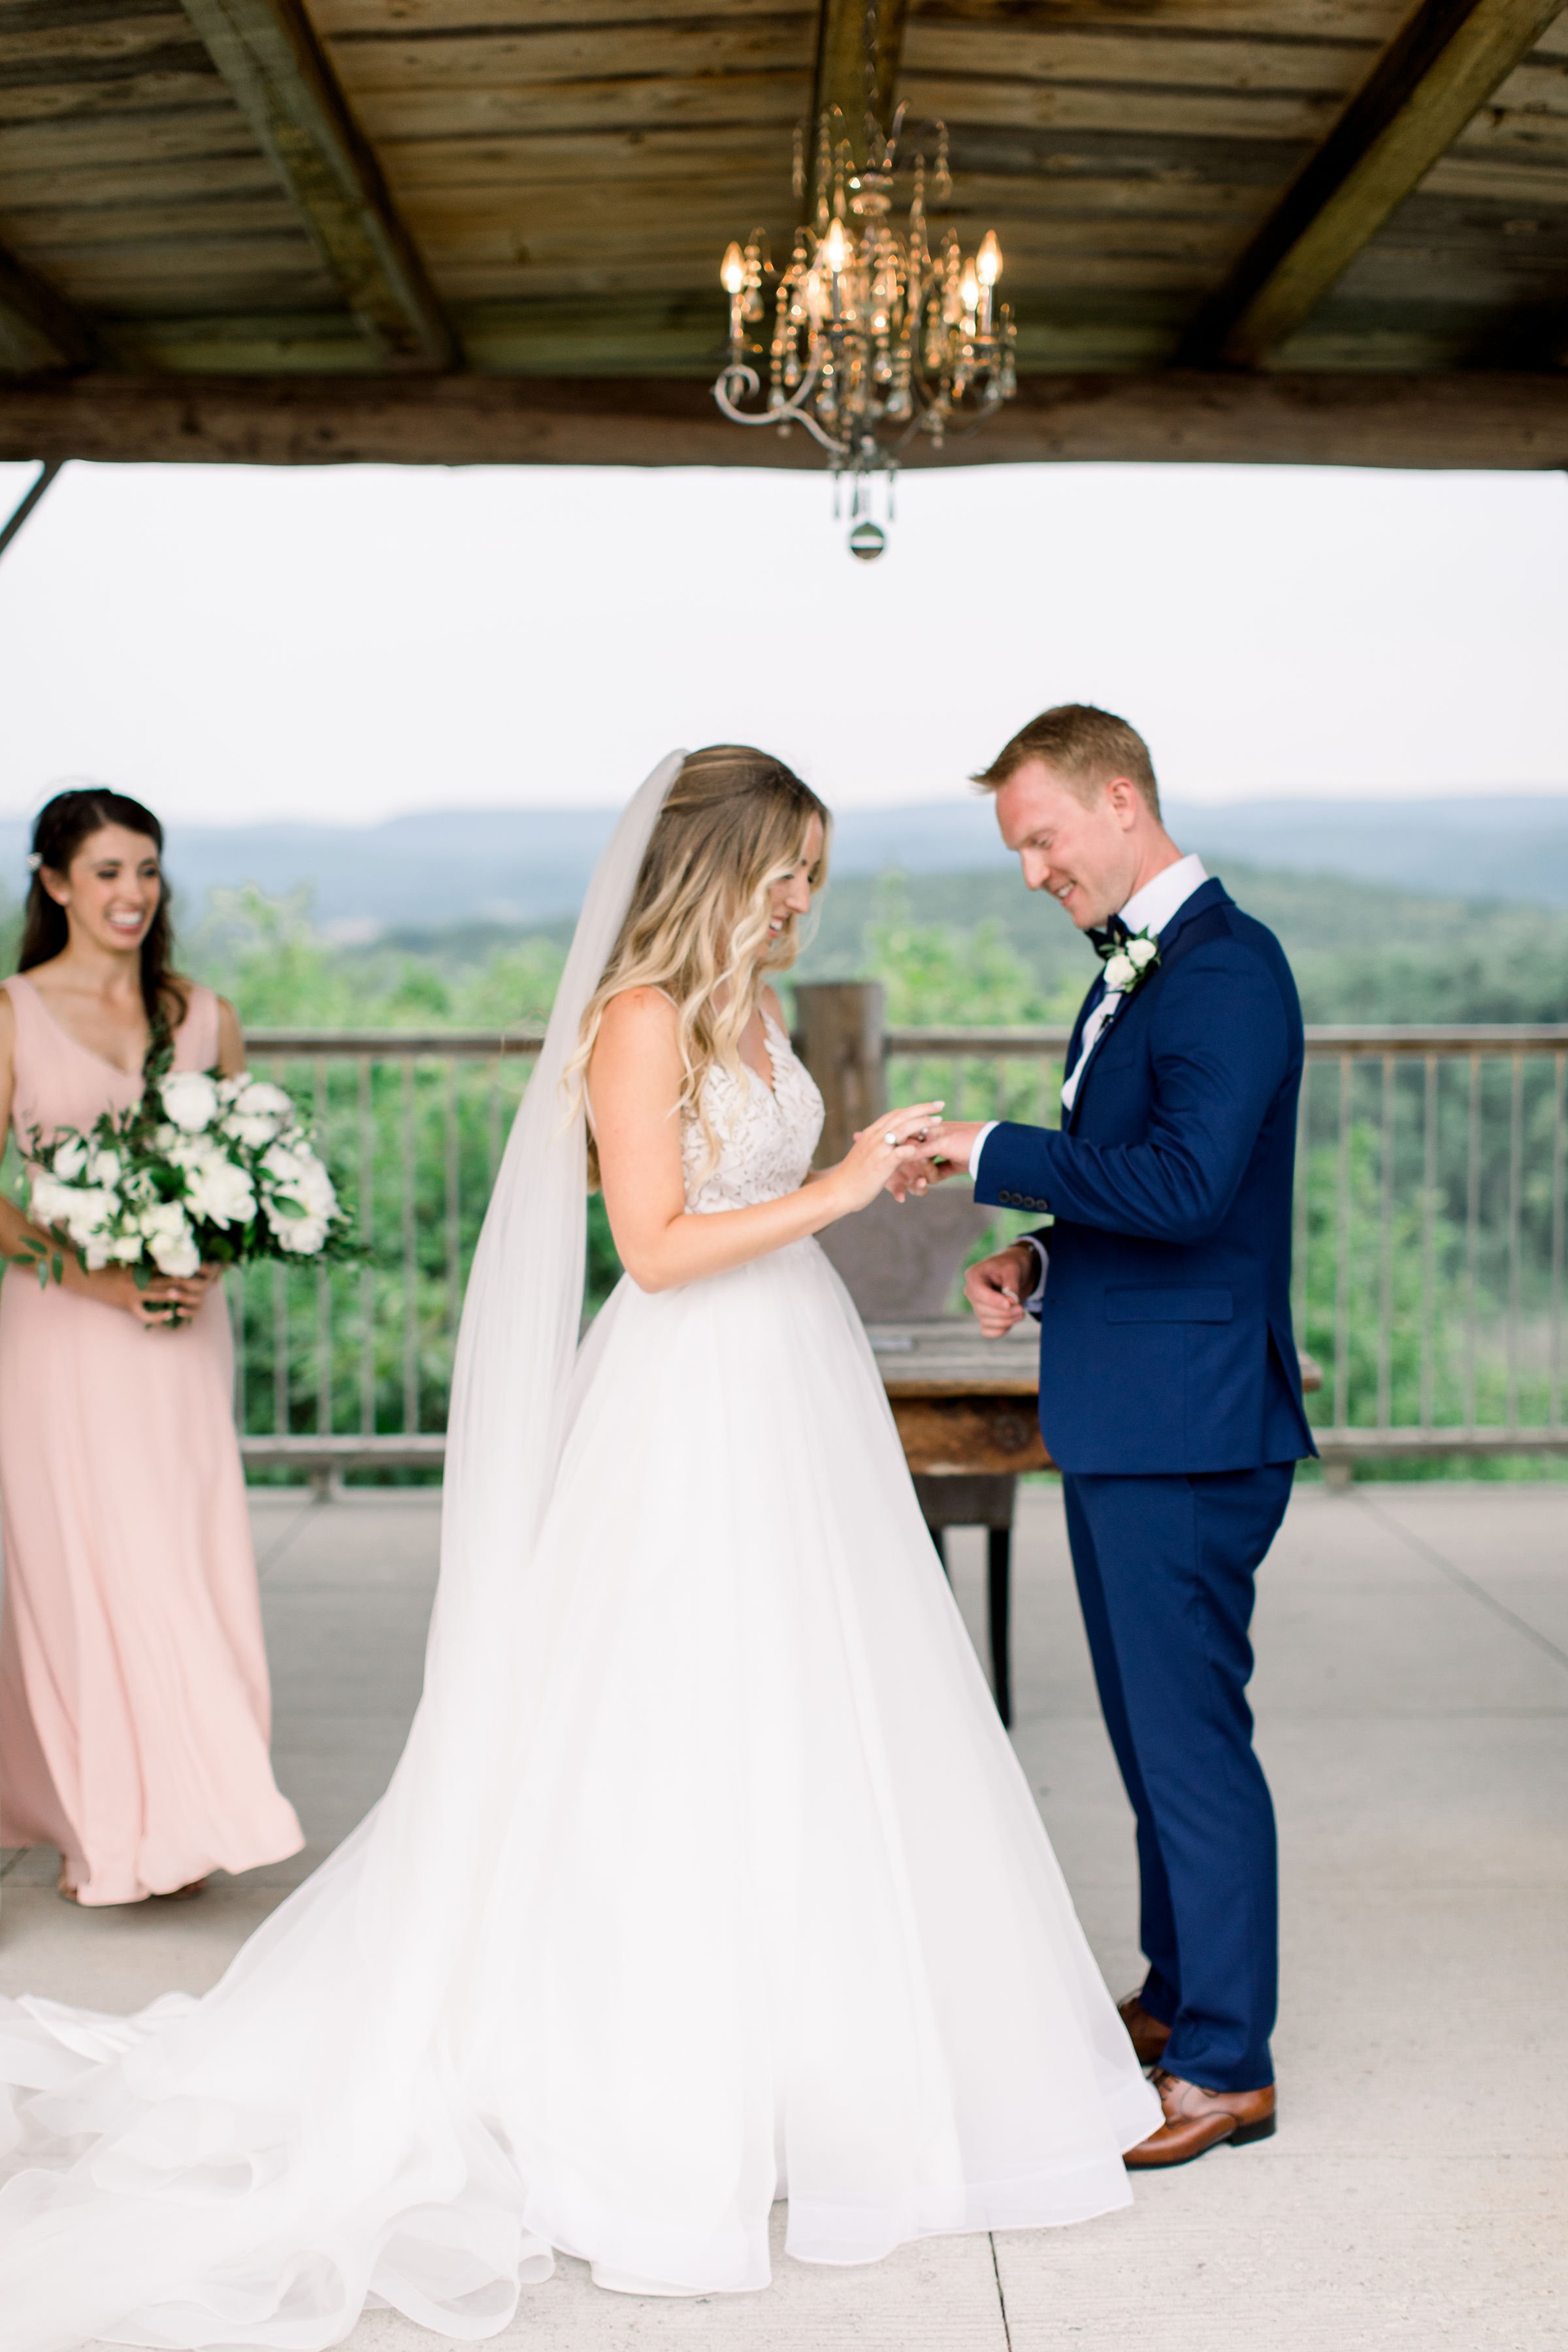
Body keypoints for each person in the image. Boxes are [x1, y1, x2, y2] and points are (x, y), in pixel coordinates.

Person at [0, 747, 1158, 2350]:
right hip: (688, 1402)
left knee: (827, 1723)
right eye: (784, 870)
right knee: (663, 1732)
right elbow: (660, 1250)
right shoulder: (638, 1018)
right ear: (719, 866)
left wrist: (860, 1171)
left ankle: (829, 2060)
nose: (803, 899)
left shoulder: (754, 1006)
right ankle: (644, 2079)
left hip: (795, 1386)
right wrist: (836, 1182)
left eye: (814, 873)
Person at [919, 706, 1315, 2169]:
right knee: (1155, 1735)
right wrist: (1042, 1257)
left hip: (1192, 1428)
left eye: (1042, 838)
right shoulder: (1140, 976)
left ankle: (1227, 2064)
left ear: (1121, 798)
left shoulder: (1226, 969)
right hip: (1134, 1410)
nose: (1032, 871)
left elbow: (1191, 1188)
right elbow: (1138, 1201)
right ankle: (1177, 1995)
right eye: (1017, 848)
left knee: (1193, 1742)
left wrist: (984, 1156)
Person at [0, 788, 304, 1906]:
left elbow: (250, 1167)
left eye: (148, 871)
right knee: (86, 1563)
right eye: (110, 871)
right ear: (55, 883)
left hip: (181, 1329)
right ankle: (107, 1828)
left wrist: (212, 1253)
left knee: (186, 1555)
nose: (132, 894)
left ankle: (203, 1804)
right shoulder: (11, 1014)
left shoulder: (203, 1014)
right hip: (58, 1330)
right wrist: (95, 1276)